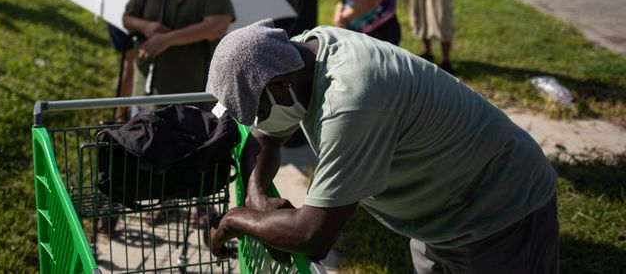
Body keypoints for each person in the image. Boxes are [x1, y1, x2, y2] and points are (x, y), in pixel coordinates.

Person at [205, 20, 559, 273]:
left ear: (280, 86)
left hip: (500, 209)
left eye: (260, 109)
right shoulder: (299, 55)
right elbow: (266, 137)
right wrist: (257, 199)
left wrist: (238, 219)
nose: (259, 120)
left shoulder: (351, 100)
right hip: (440, 215)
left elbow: (312, 234)